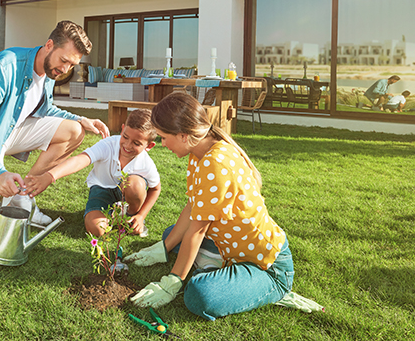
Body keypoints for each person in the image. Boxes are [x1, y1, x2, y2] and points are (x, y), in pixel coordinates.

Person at [124, 92, 310, 319]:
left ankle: (274, 290)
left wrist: (172, 280)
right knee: (171, 236)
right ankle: (213, 263)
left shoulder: (215, 163)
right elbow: (194, 206)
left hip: (265, 265)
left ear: (183, 135)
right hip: (230, 247)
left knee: (199, 295)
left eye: (164, 137)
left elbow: (198, 229)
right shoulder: (199, 150)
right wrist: (164, 247)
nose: (163, 144)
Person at [0, 21, 110, 230]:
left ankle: (23, 196)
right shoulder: (6, 65)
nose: (65, 70)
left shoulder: (50, 70)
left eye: (72, 65)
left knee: (74, 131)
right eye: (64, 60)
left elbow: (44, 108)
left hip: (9, 132)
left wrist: (81, 119)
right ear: (49, 45)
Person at [26, 109, 161, 238]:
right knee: (96, 229)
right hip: (101, 190)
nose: (127, 145)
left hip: (128, 194)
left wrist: (141, 215)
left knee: (134, 184)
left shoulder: (145, 163)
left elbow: (156, 188)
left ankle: (129, 215)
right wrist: (50, 176)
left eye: (136, 143)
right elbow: (80, 160)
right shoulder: (108, 145)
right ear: (122, 128)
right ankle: (112, 215)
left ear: (149, 146)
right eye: (125, 136)